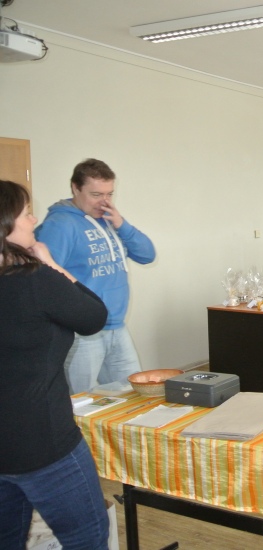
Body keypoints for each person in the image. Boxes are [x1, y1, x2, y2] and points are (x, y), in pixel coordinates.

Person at [0, 180, 110, 550]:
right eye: (26, 214)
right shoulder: (35, 280)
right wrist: (50, 264)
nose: (34, 220)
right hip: (44, 446)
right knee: (87, 538)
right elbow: (93, 316)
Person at [35, 159, 156, 393]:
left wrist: (121, 224)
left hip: (116, 326)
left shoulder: (108, 220)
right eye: (96, 194)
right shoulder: (60, 224)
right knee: (81, 401)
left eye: (109, 194)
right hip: (82, 332)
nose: (104, 201)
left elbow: (147, 255)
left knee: (135, 394)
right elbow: (46, 278)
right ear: (75, 188)